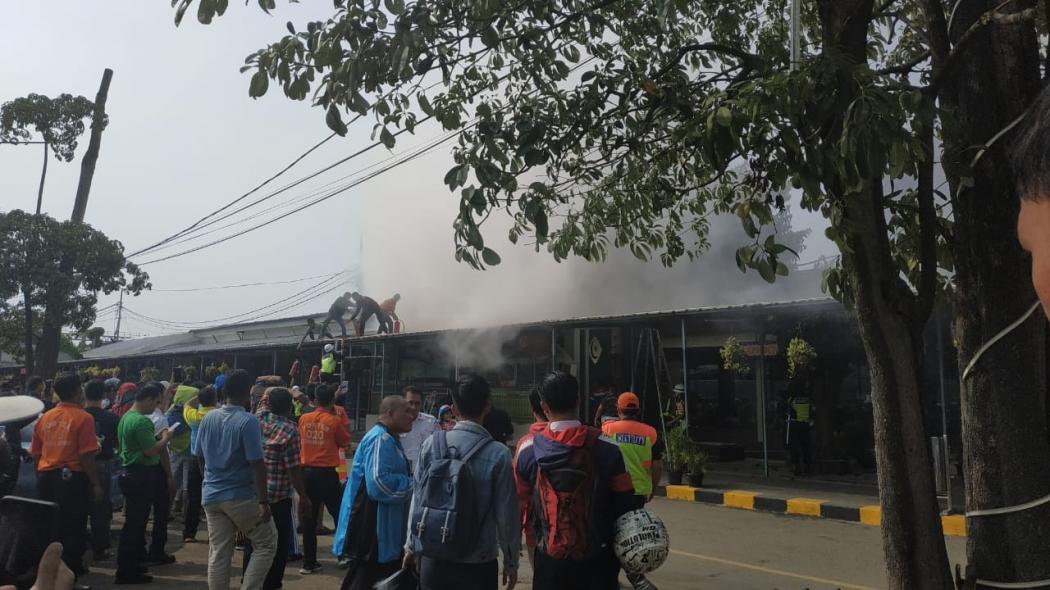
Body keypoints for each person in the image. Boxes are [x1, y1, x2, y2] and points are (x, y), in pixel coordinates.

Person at [514, 371, 635, 590]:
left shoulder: (527, 451)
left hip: (549, 563)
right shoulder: (608, 448)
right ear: (578, 400)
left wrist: (513, 554)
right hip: (599, 562)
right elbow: (627, 507)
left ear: (543, 406)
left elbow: (518, 508)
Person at [403, 374, 520, 590]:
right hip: (478, 562)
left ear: (454, 409)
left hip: (434, 556)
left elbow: (417, 499)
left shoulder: (431, 444)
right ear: (487, 406)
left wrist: (411, 546)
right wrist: (511, 562)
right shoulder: (498, 453)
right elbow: (507, 515)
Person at [195, 369, 276, 590]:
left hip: (211, 494)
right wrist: (263, 501)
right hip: (240, 494)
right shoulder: (248, 421)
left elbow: (199, 456)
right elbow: (257, 464)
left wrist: (208, 480)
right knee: (266, 544)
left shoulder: (208, 417)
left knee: (219, 552)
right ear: (248, 392)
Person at [332, 395, 414, 590]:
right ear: (390, 413)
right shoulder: (380, 439)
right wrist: (414, 485)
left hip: (382, 527)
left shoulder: (390, 439)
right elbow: (379, 484)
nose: (412, 416)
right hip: (372, 527)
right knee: (365, 577)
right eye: (406, 411)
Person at [29, 373, 103, 587]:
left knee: (50, 528)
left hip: (46, 477)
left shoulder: (45, 418)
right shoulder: (84, 418)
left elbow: (36, 454)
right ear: (78, 391)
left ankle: (49, 575)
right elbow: (86, 456)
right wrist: (96, 483)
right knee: (73, 529)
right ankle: (69, 577)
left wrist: (42, 476)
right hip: (72, 480)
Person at [244, 388, 311, 590]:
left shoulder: (255, 421)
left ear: (268, 404)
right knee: (278, 545)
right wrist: (303, 495)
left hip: (254, 494)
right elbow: (293, 470)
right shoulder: (290, 430)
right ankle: (271, 584)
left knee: (253, 542)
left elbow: (262, 402)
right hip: (278, 497)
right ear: (289, 408)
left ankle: (249, 582)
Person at [600, 393, 663, 590]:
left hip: (614, 490)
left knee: (611, 534)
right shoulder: (650, 433)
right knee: (632, 535)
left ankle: (626, 578)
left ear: (619, 410)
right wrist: (653, 487)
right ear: (638, 410)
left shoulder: (608, 429)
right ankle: (636, 577)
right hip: (638, 493)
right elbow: (657, 465)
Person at [115, 382, 174, 585]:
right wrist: (166, 437)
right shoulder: (141, 421)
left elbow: (142, 445)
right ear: (148, 399)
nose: (156, 407)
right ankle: (126, 570)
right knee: (135, 525)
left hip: (130, 471)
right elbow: (151, 451)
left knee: (135, 523)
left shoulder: (126, 417)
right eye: (156, 402)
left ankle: (131, 564)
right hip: (140, 474)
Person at [297, 383, 351, 575]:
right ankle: (343, 555)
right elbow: (345, 442)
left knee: (309, 519)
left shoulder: (303, 419)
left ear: (315, 400)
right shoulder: (334, 421)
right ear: (332, 400)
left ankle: (309, 563)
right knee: (339, 515)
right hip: (327, 474)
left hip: (307, 474)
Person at [83, 379, 119, 562]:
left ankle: (79, 546)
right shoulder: (111, 418)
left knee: (79, 509)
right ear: (104, 395)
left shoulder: (78, 416)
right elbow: (118, 443)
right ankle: (100, 549)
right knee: (100, 510)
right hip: (102, 467)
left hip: (78, 467)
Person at [513, 389, 548, 572]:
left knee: (541, 578)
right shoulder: (586, 442)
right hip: (580, 536)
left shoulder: (526, 445)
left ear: (533, 409)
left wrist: (514, 537)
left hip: (538, 534)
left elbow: (519, 499)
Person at [182, 386, 218, 543]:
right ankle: (215, 534)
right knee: (216, 497)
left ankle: (189, 533)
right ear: (215, 399)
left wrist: (198, 397)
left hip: (195, 458)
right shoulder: (219, 415)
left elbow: (186, 405)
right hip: (215, 459)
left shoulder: (194, 416)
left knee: (193, 497)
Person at [398, 386, 437, 474]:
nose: (413, 407)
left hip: (425, 474)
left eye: (417, 403)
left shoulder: (431, 422)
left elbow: (438, 447)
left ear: (421, 404)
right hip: (402, 474)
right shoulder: (397, 423)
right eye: (410, 402)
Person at [786, 388, 814, 476]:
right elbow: (812, 410)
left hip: (795, 425)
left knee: (794, 447)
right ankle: (807, 467)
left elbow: (788, 411)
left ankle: (796, 467)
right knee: (806, 447)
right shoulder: (808, 399)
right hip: (806, 425)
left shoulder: (792, 399)